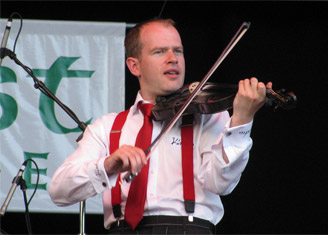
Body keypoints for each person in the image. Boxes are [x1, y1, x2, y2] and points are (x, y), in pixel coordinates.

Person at [49, 18, 272, 234]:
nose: (172, 58)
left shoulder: (207, 115)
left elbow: (221, 183)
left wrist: (241, 120)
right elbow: (59, 190)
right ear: (134, 66)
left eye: (178, 51)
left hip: (189, 229)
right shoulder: (107, 127)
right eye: (159, 51)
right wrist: (107, 165)